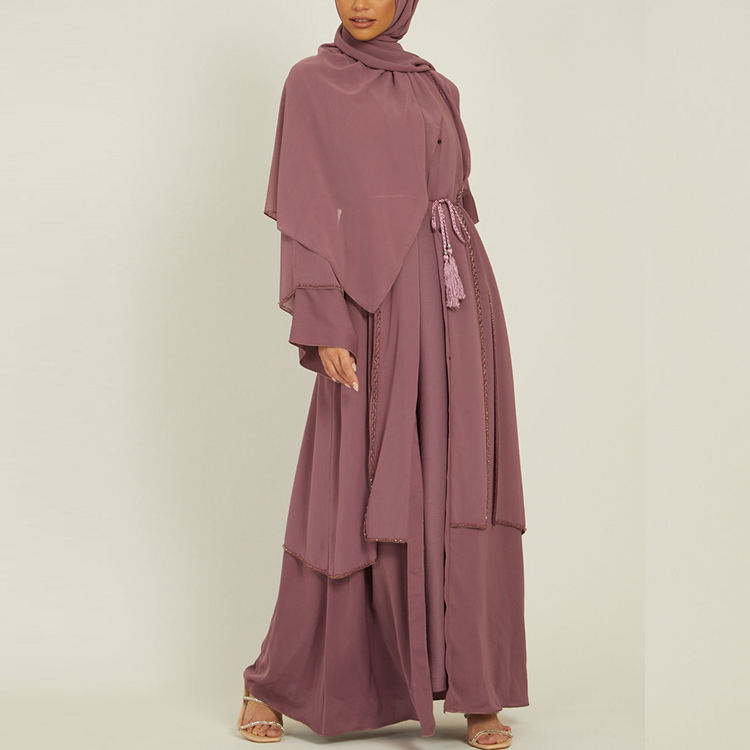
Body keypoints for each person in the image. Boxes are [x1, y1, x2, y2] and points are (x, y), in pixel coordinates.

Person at [238, 1, 528, 747]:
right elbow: (305, 205)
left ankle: (478, 686)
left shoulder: (437, 86)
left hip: (458, 303)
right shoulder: (311, 83)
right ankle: (275, 683)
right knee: (351, 485)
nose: (361, 3)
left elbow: (455, 200)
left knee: (463, 480)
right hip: (373, 306)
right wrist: (322, 314)